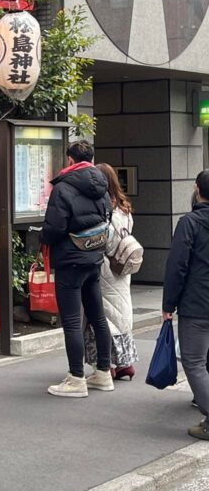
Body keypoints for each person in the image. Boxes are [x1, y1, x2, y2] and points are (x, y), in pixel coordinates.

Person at [40, 139, 113, 398]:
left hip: (70, 260)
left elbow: (55, 227)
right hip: (94, 257)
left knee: (72, 321)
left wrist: (43, 237)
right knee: (97, 316)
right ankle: (103, 373)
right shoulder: (102, 185)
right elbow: (108, 216)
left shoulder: (64, 187)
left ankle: (76, 378)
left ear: (70, 160)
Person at [162, 169, 209, 441]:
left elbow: (177, 267)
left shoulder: (189, 223)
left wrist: (169, 304)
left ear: (197, 189)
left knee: (194, 362)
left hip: (197, 304)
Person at [84, 163, 138, 380]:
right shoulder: (125, 208)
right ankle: (126, 361)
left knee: (103, 317)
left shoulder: (105, 209)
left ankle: (108, 363)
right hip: (124, 266)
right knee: (121, 314)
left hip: (106, 266)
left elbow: (104, 240)